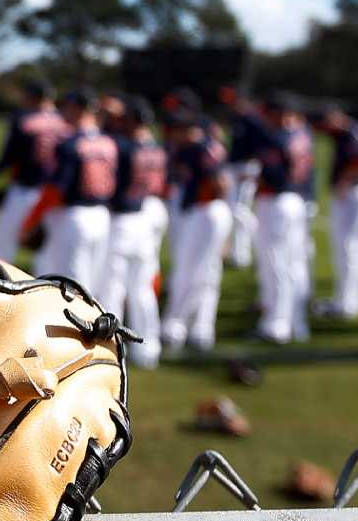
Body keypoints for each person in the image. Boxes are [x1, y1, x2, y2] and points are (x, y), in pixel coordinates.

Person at [101, 96, 167, 367]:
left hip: (122, 221)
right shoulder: (155, 147)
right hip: (144, 219)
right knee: (142, 289)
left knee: (113, 287)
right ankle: (149, 349)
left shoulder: (124, 147)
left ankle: (110, 348)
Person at [160, 110, 231, 356]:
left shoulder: (199, 148)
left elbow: (219, 184)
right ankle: (202, 328)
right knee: (208, 272)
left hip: (205, 212)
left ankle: (175, 325)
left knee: (190, 271)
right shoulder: (207, 144)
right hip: (210, 212)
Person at [31, 90, 117, 286]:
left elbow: (55, 190)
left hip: (73, 218)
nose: (64, 111)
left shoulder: (70, 145)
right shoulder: (108, 142)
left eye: (68, 106)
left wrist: (31, 222)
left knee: (68, 286)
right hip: (102, 216)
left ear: (79, 109)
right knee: (92, 286)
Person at [0, 81, 70, 264]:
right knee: (48, 252)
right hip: (53, 197)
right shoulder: (65, 123)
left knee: (2, 247)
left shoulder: (25, 121)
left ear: (32, 98)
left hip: (25, 190)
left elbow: (8, 157)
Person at [251, 94, 315, 345]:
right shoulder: (303, 134)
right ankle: (296, 322)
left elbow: (272, 175)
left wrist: (257, 179)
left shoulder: (276, 137)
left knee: (276, 265)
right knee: (294, 264)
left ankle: (277, 325)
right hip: (296, 200)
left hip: (277, 202)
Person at [313, 104, 358, 320]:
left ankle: (348, 303)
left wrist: (343, 182)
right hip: (352, 192)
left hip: (353, 193)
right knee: (346, 248)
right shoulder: (346, 132)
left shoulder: (351, 133)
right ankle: (345, 299)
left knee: (348, 248)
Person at [221, 87, 267, 271]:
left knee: (239, 210)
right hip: (234, 167)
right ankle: (240, 255)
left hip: (247, 167)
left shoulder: (252, 120)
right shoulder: (237, 118)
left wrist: (252, 169)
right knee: (236, 210)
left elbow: (263, 146)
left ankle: (260, 243)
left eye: (232, 100)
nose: (230, 104)